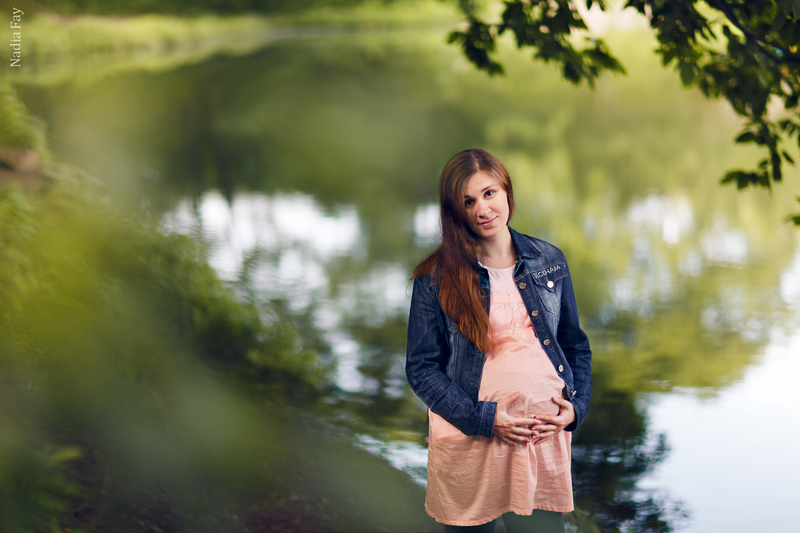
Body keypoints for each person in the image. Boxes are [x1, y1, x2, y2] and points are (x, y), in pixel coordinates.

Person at [405, 149, 592, 533]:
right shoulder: (435, 277)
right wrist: (484, 419)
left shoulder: (549, 261)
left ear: (507, 191)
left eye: (489, 193)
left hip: (540, 442)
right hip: (470, 442)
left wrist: (576, 408)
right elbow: (421, 369)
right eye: (468, 202)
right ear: (455, 212)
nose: (482, 209)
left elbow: (575, 346)